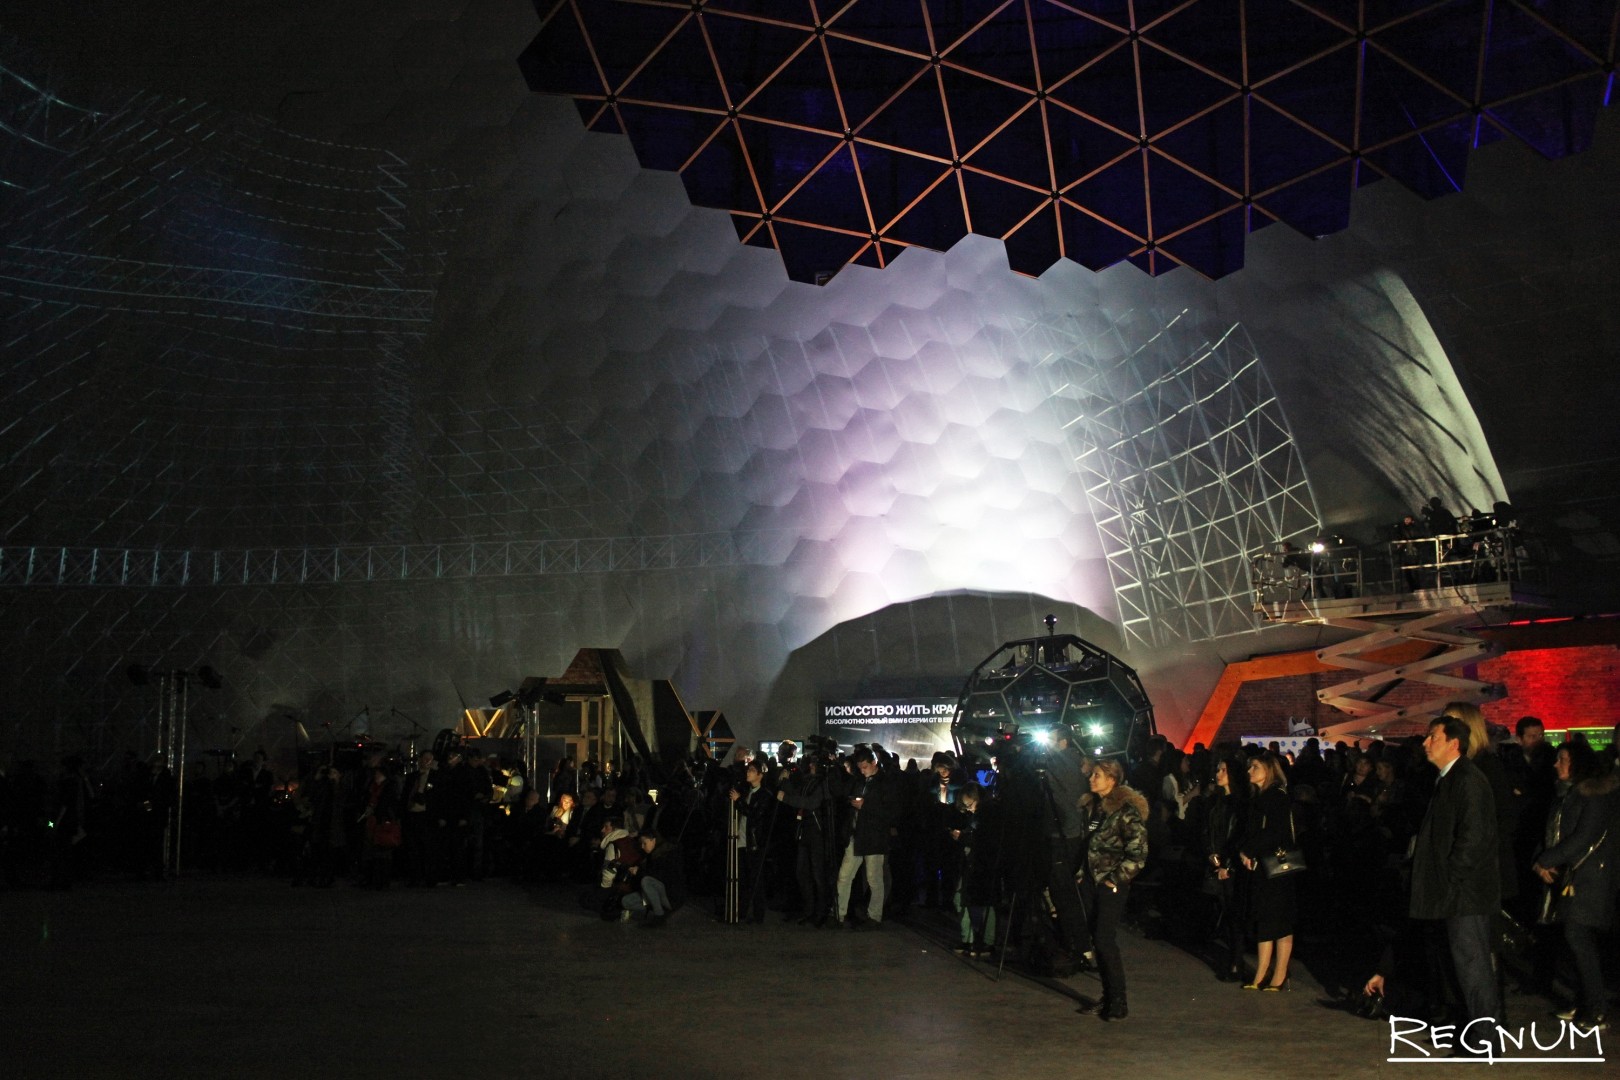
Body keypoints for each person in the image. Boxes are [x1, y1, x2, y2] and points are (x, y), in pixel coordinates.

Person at [1410, 715, 1501, 1032]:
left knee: (1472, 964)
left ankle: (1485, 1036)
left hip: (1466, 893)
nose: (1426, 742)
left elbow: (1472, 838)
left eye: (1432, 736)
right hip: (1455, 890)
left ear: (1453, 743)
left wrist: (1450, 877)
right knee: (1462, 964)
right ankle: (1473, 1031)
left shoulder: (1466, 780)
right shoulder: (1449, 779)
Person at [1531, 742, 1617, 1029]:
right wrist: (1541, 861)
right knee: (1575, 939)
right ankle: (1585, 1002)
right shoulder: (1566, 795)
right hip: (1572, 877)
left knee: (1577, 937)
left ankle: (1597, 1007)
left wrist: (1546, 859)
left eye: (1563, 759)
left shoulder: (1593, 795)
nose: (1557, 764)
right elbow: (1551, 833)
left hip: (1590, 878)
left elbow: (1583, 836)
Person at [1076, 758, 1147, 1021]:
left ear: (1112, 780)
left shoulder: (1126, 812)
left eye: (1097, 775)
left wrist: (1115, 878)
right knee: (1098, 939)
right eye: (1091, 774)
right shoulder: (1094, 808)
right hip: (1092, 883)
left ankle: (1118, 1000)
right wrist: (1083, 874)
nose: (1091, 779)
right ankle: (1108, 996)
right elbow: (1089, 846)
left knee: (1105, 939)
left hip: (1111, 885)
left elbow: (1138, 852)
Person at [1238, 752, 1298, 991]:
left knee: (1279, 919)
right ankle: (1262, 972)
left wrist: (1249, 850)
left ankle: (1279, 973)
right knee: (1266, 917)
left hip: (1277, 865)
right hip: (1265, 864)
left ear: (1269, 770)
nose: (1250, 771)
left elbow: (1275, 832)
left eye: (1255, 766)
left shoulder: (1276, 797)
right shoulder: (1261, 797)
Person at [833, 748, 899, 929]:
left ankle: (874, 916)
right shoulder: (861, 780)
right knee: (845, 876)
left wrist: (865, 806)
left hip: (874, 837)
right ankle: (840, 913)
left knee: (874, 878)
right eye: (860, 768)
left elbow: (891, 812)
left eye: (865, 767)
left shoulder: (886, 783)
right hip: (858, 834)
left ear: (873, 763)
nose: (862, 771)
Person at [621, 827, 686, 927]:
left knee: (647, 881)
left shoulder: (666, 854)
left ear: (653, 840)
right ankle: (659, 909)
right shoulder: (652, 854)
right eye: (641, 844)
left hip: (671, 896)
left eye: (644, 843)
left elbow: (658, 876)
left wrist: (639, 872)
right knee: (626, 902)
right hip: (658, 894)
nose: (642, 846)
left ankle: (659, 916)